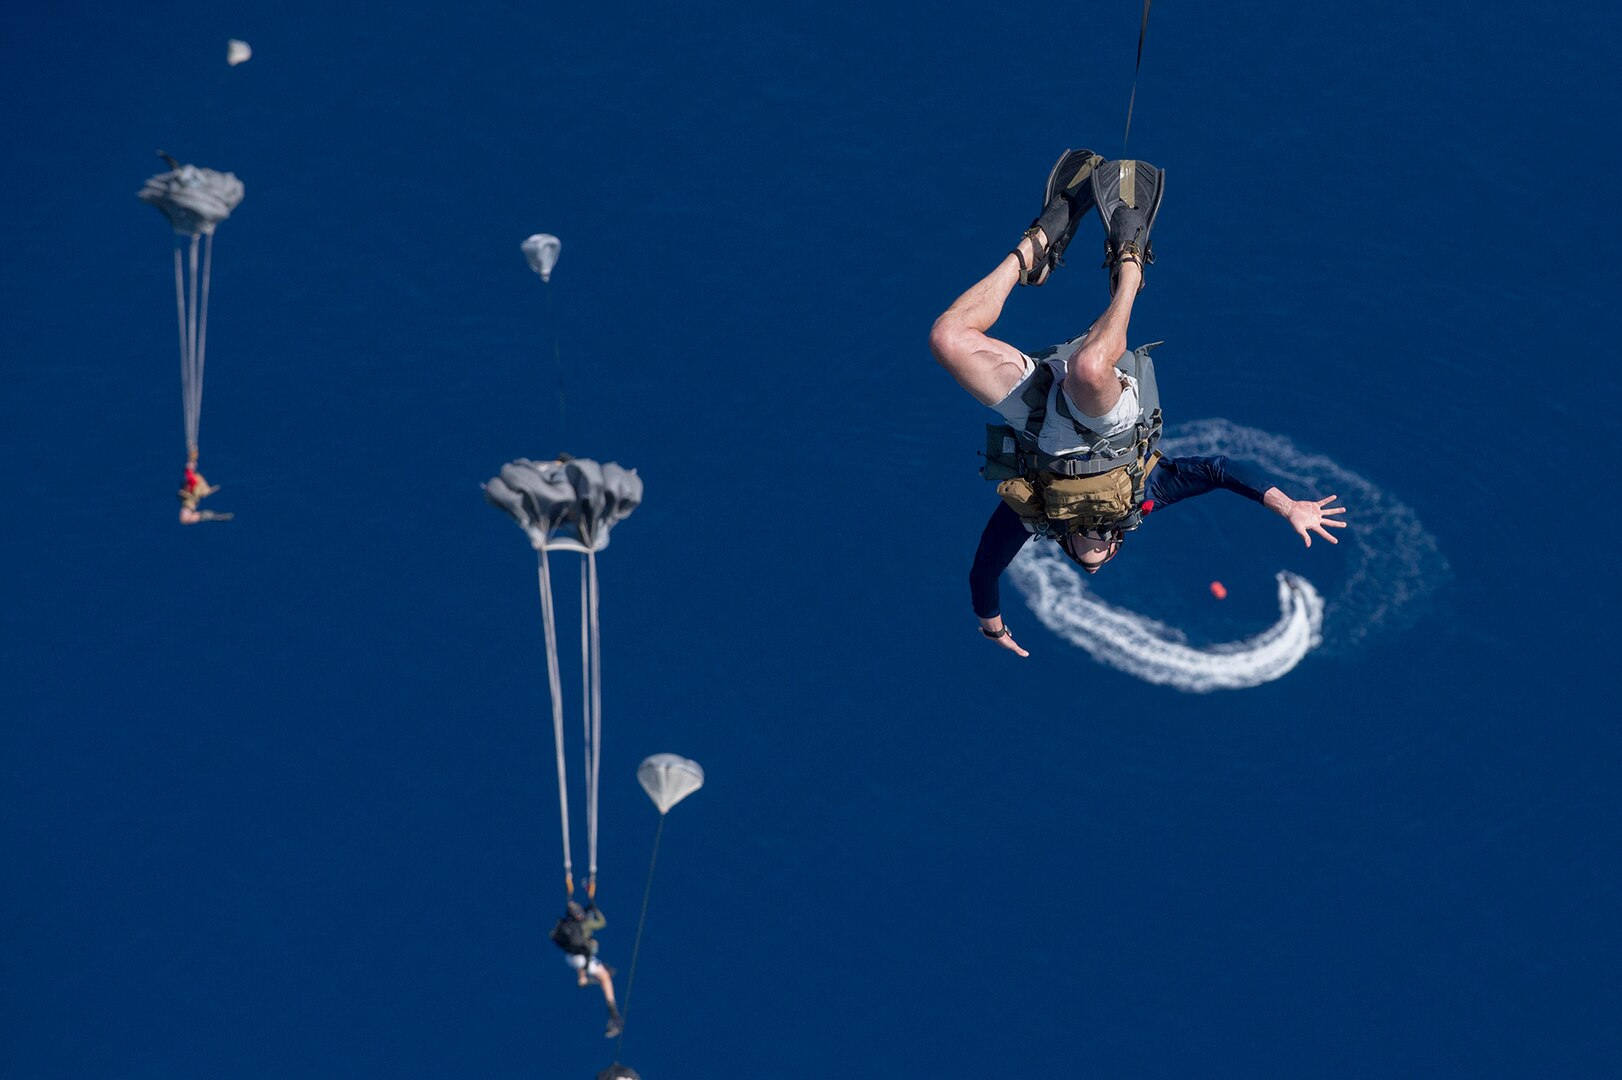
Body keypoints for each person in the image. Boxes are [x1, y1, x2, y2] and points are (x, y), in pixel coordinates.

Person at [928, 149, 1346, 658]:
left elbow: (984, 569)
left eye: (1090, 555)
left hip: (1041, 414)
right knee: (1087, 369)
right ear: (1118, 541)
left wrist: (990, 624)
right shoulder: (1146, 493)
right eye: (1105, 552)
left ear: (1067, 545)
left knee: (948, 338)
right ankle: (1130, 266)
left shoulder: (1034, 513)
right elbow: (1218, 471)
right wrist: (1288, 506)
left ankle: (1035, 246)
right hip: (1111, 422)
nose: (1097, 549)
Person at [550, 901, 623, 1037]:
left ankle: (583, 978)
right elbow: (602, 922)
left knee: (587, 951)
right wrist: (595, 910)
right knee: (605, 976)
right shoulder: (586, 923)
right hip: (582, 959)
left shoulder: (566, 925)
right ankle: (614, 1015)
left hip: (570, 958)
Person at [177, 455, 230, 525]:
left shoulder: (194, 480)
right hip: (190, 502)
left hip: (190, 502)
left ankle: (216, 516)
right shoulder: (193, 481)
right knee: (187, 518)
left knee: (186, 519)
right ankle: (216, 516)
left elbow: (202, 491)